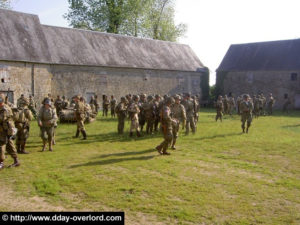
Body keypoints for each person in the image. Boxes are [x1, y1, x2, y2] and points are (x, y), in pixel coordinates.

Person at [0, 93, 20, 170]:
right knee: (9, 145)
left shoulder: (5, 108)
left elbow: (2, 118)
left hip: (6, 130)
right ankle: (16, 161)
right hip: (3, 130)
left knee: (2, 145)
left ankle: (1, 163)